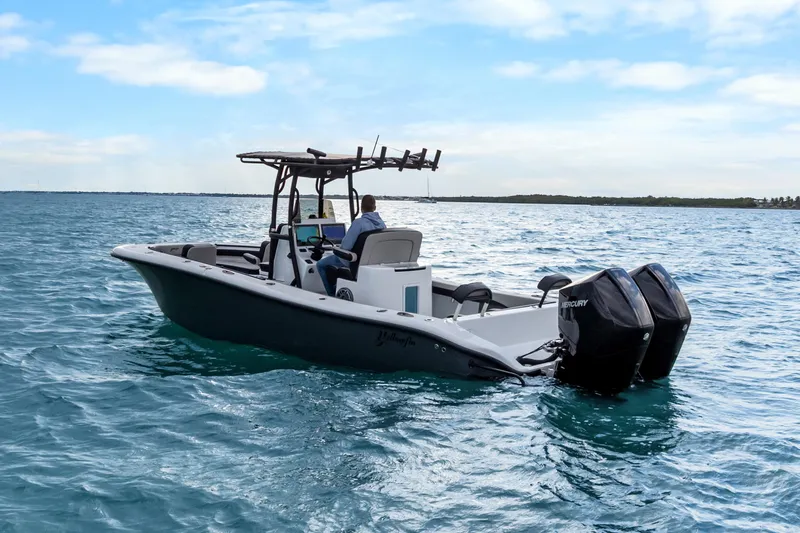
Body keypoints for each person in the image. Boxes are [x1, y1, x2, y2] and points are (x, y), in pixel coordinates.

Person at [316, 195, 385, 296]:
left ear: (361, 208)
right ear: (374, 208)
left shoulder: (358, 223)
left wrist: (336, 248)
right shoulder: (382, 224)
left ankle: (331, 295)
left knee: (320, 264)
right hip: (370, 262)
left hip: (354, 261)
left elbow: (346, 247)